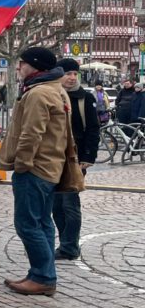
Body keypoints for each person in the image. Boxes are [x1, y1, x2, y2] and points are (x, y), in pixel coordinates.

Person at [0, 47, 71, 296]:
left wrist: (22, 165)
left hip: (36, 169)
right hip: (50, 167)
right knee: (43, 223)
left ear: (35, 66)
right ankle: (42, 273)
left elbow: (31, 134)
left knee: (28, 224)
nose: (19, 67)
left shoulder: (39, 93)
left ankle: (43, 276)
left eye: (22, 63)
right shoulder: (54, 89)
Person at [53, 59, 99, 261]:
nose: (71, 78)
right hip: (53, 157)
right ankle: (66, 242)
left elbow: (93, 129)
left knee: (69, 203)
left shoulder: (84, 98)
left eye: (74, 74)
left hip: (75, 159)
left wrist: (88, 157)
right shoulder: (52, 95)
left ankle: (69, 246)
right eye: (67, 73)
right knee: (56, 205)